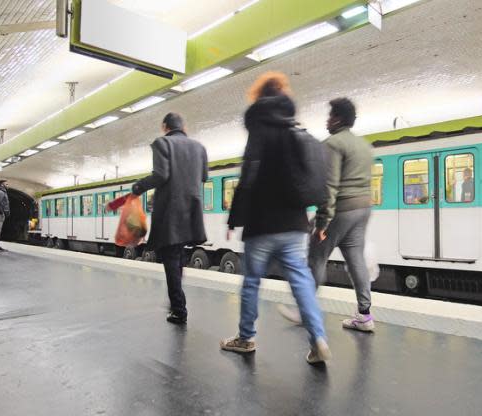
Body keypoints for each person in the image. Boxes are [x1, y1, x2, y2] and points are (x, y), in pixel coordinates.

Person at [222, 72, 331, 364]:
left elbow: (248, 178)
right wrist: (318, 221)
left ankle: (245, 338)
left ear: (258, 98)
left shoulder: (258, 131)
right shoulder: (298, 130)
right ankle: (318, 338)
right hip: (296, 224)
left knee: (252, 282)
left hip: (261, 224)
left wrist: (234, 219)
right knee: (300, 281)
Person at [278, 98, 376, 332]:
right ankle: (365, 315)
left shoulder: (332, 144)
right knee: (356, 260)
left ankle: (305, 312)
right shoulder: (364, 145)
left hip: (341, 209)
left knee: (316, 257)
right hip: (363, 209)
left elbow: (329, 186)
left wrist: (321, 222)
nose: (327, 120)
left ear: (338, 119)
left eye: (330, 116)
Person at [131, 113, 208, 325]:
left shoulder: (162, 143)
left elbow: (161, 175)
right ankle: (177, 301)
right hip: (191, 212)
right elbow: (204, 176)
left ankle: (178, 310)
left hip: (171, 212)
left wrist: (139, 187)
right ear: (184, 127)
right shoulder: (199, 147)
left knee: (171, 261)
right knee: (178, 258)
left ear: (165, 127)